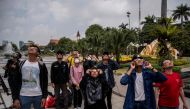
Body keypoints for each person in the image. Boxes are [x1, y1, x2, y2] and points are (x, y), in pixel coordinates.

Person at [13, 45, 48, 109]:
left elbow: (45, 82)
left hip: (38, 94)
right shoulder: (21, 64)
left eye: (34, 48)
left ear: (37, 53)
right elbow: (15, 81)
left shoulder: (41, 65)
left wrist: (44, 97)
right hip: (23, 94)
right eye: (30, 48)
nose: (31, 48)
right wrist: (15, 98)